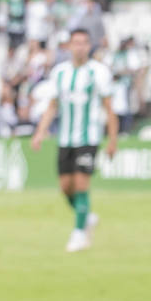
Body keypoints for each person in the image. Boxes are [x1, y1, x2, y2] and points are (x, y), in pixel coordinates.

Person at [30, 28, 118, 253]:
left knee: (81, 184)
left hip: (88, 138)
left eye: (83, 43)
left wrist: (112, 140)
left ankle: (78, 234)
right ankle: (86, 217)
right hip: (65, 140)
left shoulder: (98, 72)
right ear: (69, 46)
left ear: (89, 46)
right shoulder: (60, 73)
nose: (79, 47)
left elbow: (109, 109)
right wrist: (40, 132)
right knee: (65, 188)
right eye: (75, 42)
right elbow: (52, 106)